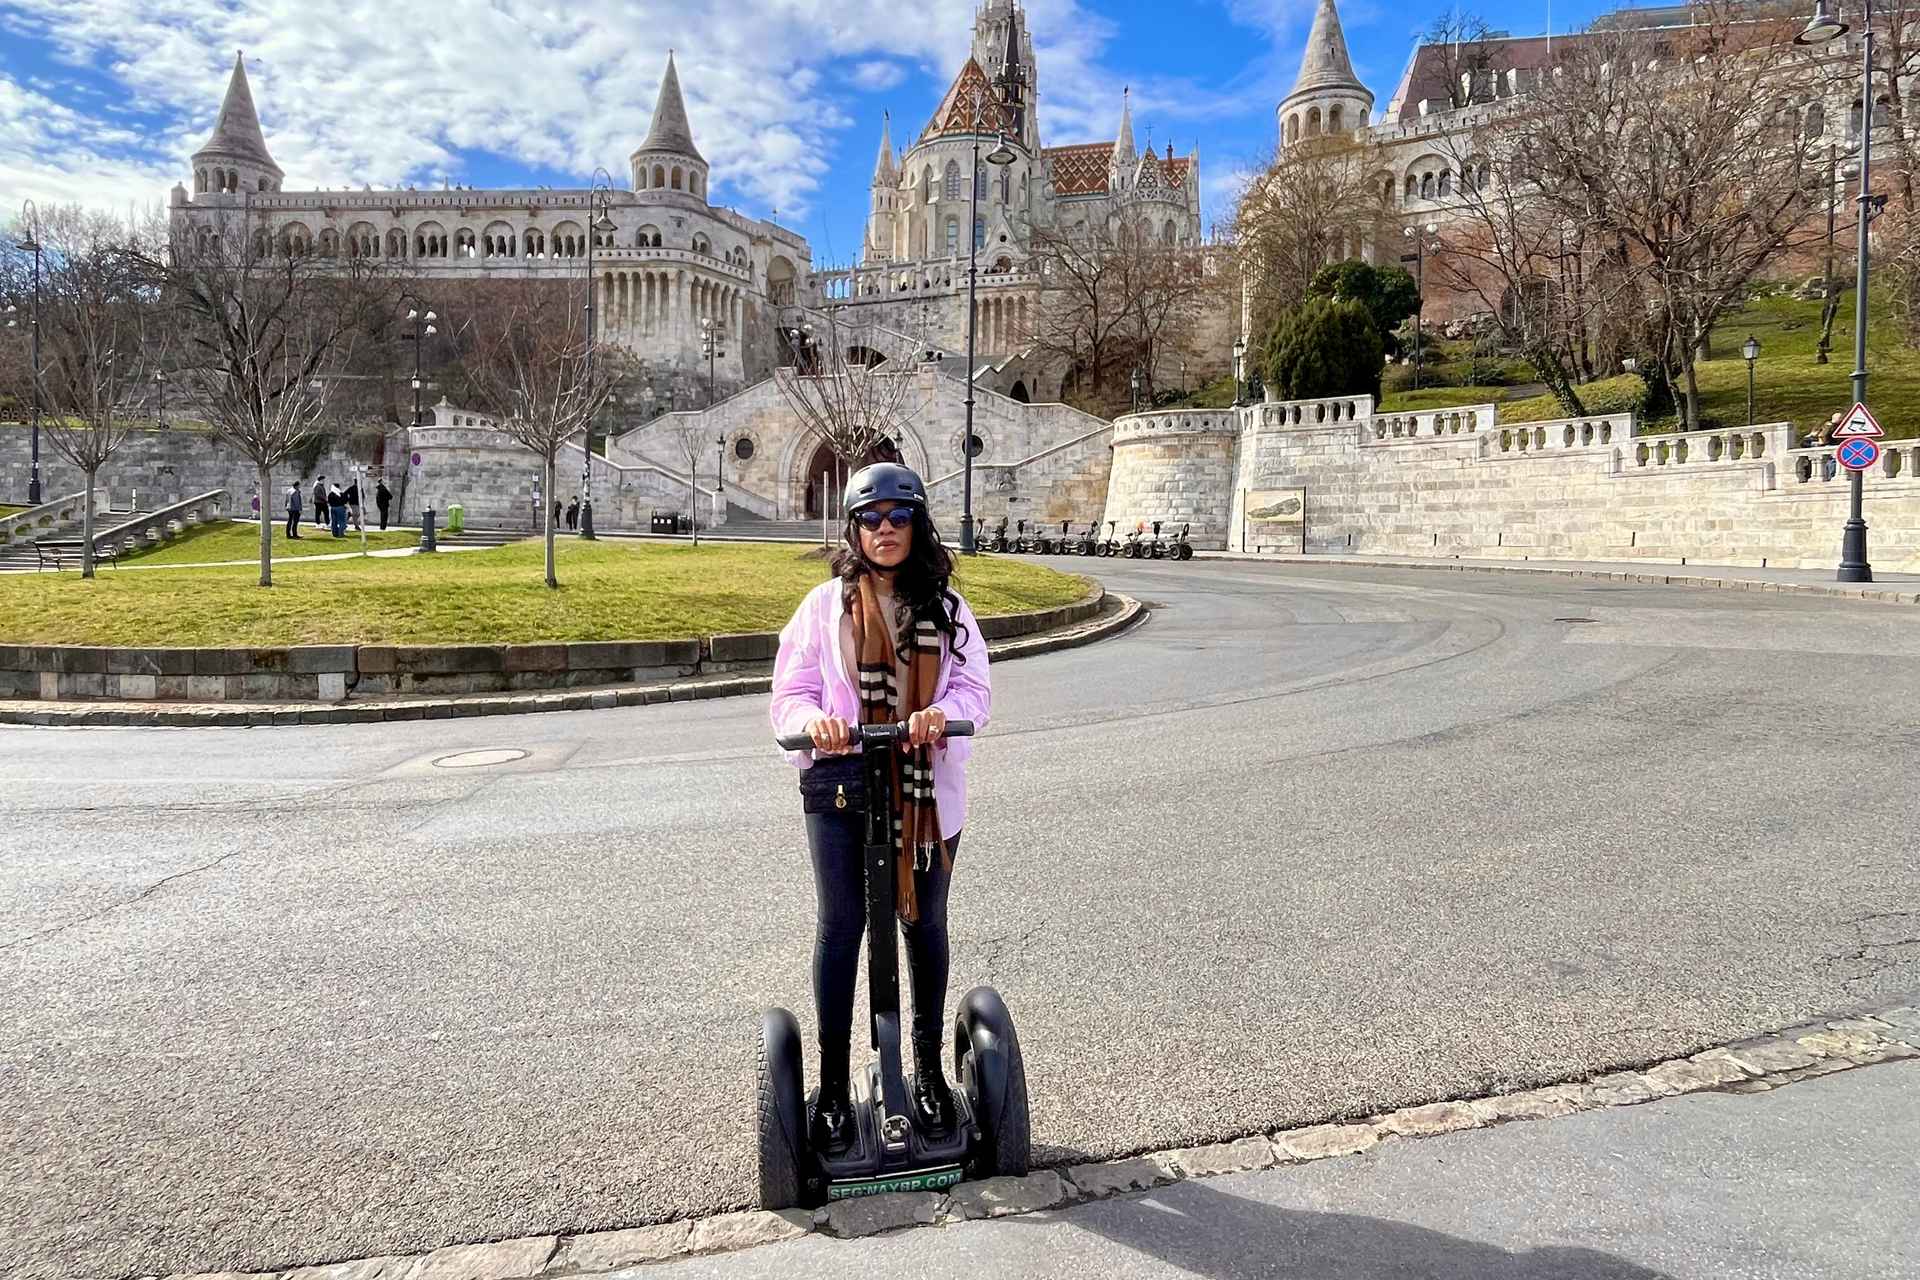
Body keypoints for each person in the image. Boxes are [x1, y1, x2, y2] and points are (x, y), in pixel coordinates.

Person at [769, 463, 991, 1155]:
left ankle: (927, 1069)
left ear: (918, 525)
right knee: (842, 927)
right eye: (871, 518)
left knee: (923, 925)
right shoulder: (822, 607)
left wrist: (941, 713)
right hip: (842, 787)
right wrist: (815, 723)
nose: (885, 529)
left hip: (924, 795)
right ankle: (835, 1084)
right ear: (854, 529)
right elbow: (790, 695)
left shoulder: (948, 609)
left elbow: (975, 692)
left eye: (899, 516)